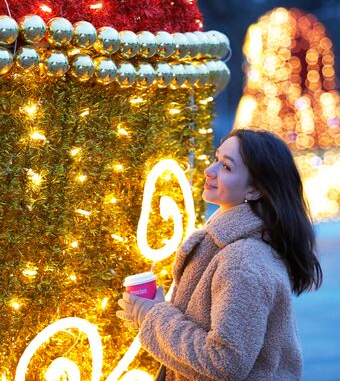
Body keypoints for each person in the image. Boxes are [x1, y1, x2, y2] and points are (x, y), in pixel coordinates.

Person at [116, 128, 322, 380]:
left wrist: (154, 316)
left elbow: (225, 362)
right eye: (216, 159)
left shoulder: (242, 262)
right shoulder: (225, 244)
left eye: (226, 167)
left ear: (255, 190)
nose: (209, 171)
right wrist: (155, 310)